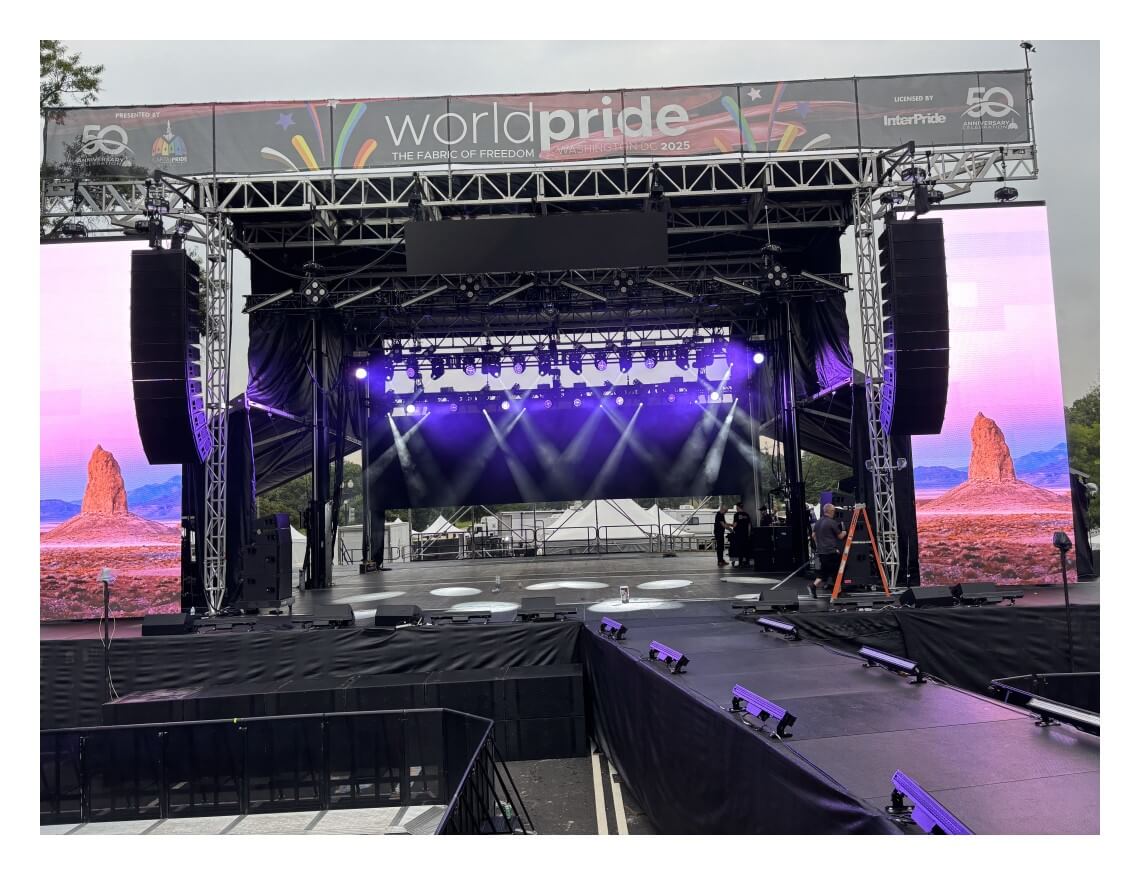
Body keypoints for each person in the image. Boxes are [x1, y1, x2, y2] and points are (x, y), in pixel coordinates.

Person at [810, 503, 847, 599]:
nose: (834, 512)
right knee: (838, 571)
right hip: (831, 552)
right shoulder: (832, 522)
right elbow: (840, 536)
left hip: (822, 552)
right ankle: (838, 592)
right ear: (831, 511)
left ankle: (813, 586)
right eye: (834, 510)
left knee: (824, 572)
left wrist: (819, 545)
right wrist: (844, 531)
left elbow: (813, 536)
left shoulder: (818, 522)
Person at [731, 502, 753, 568]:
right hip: (746, 535)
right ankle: (747, 563)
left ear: (738, 507)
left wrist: (729, 525)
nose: (736, 508)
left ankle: (740, 563)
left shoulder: (736, 515)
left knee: (740, 549)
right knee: (746, 549)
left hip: (739, 535)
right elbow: (749, 525)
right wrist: (749, 534)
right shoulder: (747, 515)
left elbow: (735, 525)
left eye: (736, 507)